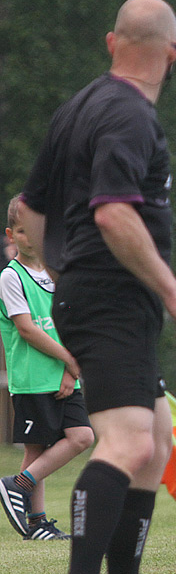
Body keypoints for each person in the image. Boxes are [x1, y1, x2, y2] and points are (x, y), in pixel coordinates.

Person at [18, 0, 176, 574]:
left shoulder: (78, 106)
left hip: (96, 296)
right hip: (110, 300)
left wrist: (62, 274)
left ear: (111, 42)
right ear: (173, 53)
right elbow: (113, 215)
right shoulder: (131, 116)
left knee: (154, 445)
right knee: (127, 444)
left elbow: (30, 207)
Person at [0, 196, 95, 542]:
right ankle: (37, 522)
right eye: (22, 232)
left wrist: (71, 370)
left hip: (63, 373)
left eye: (37, 231)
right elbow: (27, 328)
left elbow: (72, 322)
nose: (30, 238)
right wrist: (68, 360)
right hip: (33, 378)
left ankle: (17, 484)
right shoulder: (11, 277)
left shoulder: (59, 273)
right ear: (12, 235)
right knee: (37, 447)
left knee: (81, 436)